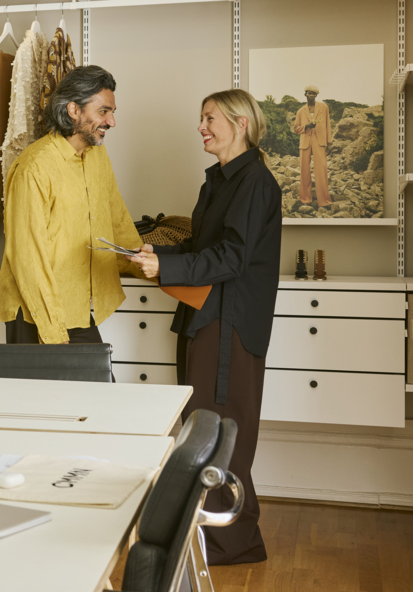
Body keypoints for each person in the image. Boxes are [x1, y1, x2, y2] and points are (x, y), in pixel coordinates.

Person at [126, 89, 282, 565]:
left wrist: (165, 271)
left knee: (221, 434)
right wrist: (156, 256)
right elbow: (201, 243)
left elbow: (232, 258)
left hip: (229, 323)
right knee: (207, 430)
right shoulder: (218, 182)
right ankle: (231, 538)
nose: (201, 127)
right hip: (205, 317)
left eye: (209, 118)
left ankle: (226, 543)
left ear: (240, 123)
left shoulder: (255, 181)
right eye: (201, 118)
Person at [0, 65, 144, 345]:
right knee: (47, 390)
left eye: (112, 112)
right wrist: (53, 333)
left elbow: (117, 219)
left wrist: (148, 265)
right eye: (103, 111)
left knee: (98, 387)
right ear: (74, 110)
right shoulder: (35, 167)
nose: (112, 122)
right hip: (34, 312)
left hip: (74, 305)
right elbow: (28, 258)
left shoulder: (97, 156)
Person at [293, 85, 333, 208]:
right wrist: (306, 126)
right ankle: (305, 199)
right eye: (309, 93)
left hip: (319, 141)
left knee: (321, 169)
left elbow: (327, 125)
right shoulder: (300, 111)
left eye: (314, 94)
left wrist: (329, 142)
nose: (311, 95)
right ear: (305, 94)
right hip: (305, 141)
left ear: (316, 95)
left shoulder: (324, 107)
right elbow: (296, 129)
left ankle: (324, 201)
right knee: (305, 171)